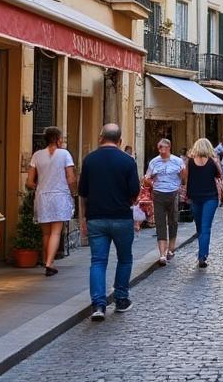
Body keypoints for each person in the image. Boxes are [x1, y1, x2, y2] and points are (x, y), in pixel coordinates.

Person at [78, 123, 140, 320]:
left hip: (96, 218)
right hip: (121, 217)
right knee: (124, 258)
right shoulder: (128, 161)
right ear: (120, 141)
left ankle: (98, 304)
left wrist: (82, 219)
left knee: (97, 261)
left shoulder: (89, 160)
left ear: (100, 137)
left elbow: (82, 193)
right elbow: (134, 192)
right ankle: (121, 298)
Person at [26, 127, 76, 277]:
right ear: (58, 139)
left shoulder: (37, 155)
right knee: (56, 232)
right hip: (59, 195)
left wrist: (40, 187)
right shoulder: (65, 154)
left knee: (46, 233)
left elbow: (29, 182)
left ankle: (47, 261)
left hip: (42, 196)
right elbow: (71, 178)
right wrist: (73, 191)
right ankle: (49, 263)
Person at [144, 139, 186, 264]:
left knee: (173, 221)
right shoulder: (154, 162)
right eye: (160, 148)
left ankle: (171, 249)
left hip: (173, 193)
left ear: (169, 148)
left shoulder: (178, 161)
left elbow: (184, 177)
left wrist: (184, 178)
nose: (162, 151)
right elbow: (147, 178)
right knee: (160, 222)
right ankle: (162, 254)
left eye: (164, 148)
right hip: (158, 194)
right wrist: (149, 182)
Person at [185, 139, 223, 268]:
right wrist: (216, 162)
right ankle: (202, 256)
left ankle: (202, 254)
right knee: (205, 228)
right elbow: (220, 175)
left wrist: (187, 194)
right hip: (210, 197)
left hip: (195, 197)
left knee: (200, 227)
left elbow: (186, 178)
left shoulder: (189, 162)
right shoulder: (212, 161)